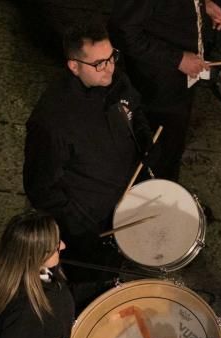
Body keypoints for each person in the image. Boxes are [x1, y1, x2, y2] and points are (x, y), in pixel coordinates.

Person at [23, 21, 153, 301]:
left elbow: (136, 108)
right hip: (92, 226)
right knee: (92, 284)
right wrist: (84, 225)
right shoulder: (52, 121)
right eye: (98, 63)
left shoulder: (111, 77)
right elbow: (41, 188)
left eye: (111, 58)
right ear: (74, 66)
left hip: (125, 196)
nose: (109, 67)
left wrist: (144, 140)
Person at [109, 0, 221, 181]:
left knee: (175, 139)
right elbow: (122, 31)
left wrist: (201, 6)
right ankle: (158, 195)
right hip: (159, 84)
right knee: (160, 150)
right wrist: (177, 59)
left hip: (181, 76)